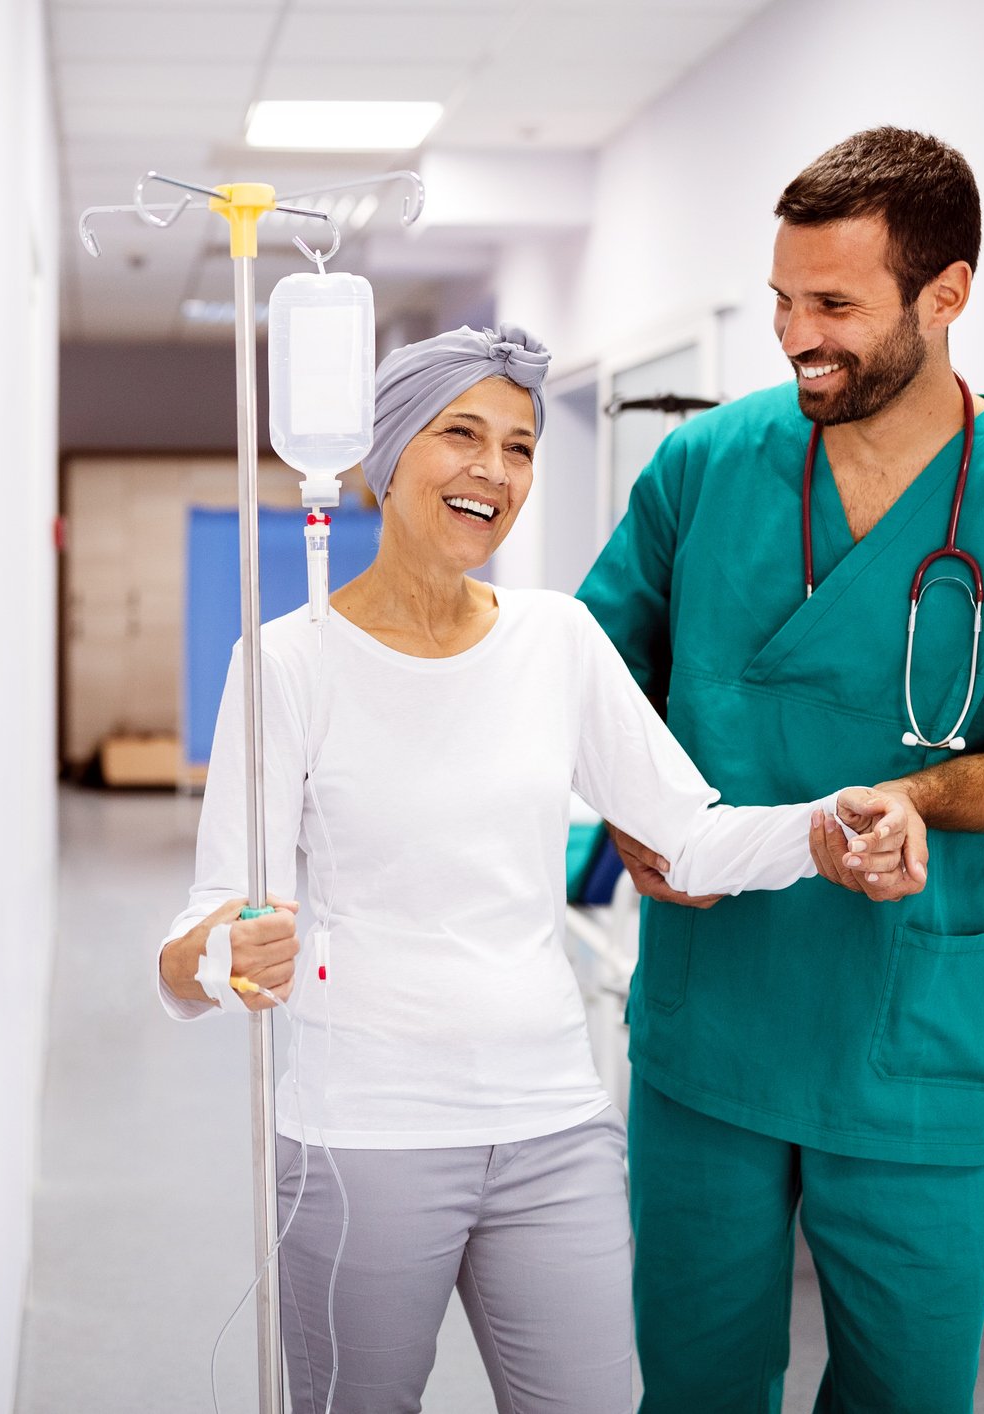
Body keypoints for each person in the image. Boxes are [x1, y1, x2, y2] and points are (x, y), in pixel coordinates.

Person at [155, 325, 924, 1413]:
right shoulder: (285, 662)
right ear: (382, 453)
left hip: (552, 1123)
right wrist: (219, 956)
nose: (494, 471)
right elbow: (201, 935)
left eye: (519, 448)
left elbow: (688, 834)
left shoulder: (556, 639)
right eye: (459, 434)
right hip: (363, 1138)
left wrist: (820, 827)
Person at [577, 127, 984, 1411]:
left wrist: (917, 797)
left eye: (835, 304)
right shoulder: (706, 466)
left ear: (948, 294)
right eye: (782, 299)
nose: (794, 334)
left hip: (918, 1033)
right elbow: (593, 680)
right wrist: (636, 822)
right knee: (695, 1377)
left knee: (907, 1388)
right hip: (712, 1016)